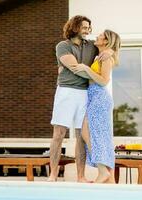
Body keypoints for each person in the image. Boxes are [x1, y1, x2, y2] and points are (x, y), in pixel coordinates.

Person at [48, 15, 111, 182]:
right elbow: (74, 68)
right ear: (75, 27)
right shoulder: (63, 46)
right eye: (84, 27)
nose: (88, 30)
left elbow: (110, 47)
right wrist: (77, 68)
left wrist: (110, 51)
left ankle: (81, 176)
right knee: (59, 134)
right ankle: (53, 174)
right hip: (66, 92)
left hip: (84, 93)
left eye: (89, 28)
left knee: (80, 136)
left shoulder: (91, 46)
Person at [70, 30, 121, 183]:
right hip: (94, 96)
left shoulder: (106, 57)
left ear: (106, 41)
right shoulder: (101, 55)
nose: (97, 36)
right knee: (92, 134)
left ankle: (103, 171)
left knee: (87, 132)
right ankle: (106, 173)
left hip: (99, 96)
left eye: (100, 36)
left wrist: (86, 69)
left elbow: (104, 81)